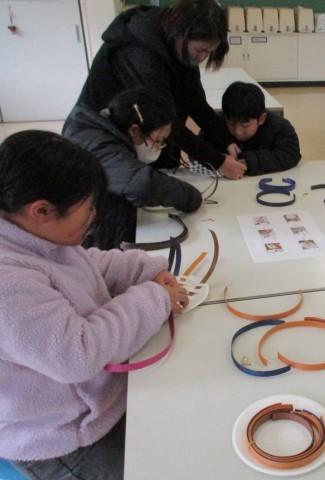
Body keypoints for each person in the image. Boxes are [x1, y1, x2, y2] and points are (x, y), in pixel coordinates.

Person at [0, 130, 188, 479]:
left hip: (102, 398)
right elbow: (77, 354)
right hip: (63, 435)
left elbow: (83, 264)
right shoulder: (7, 283)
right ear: (41, 210)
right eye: (87, 208)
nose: (94, 215)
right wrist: (154, 298)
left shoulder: (28, 231)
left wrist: (144, 269)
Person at [75, 0, 247, 180]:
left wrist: (226, 141)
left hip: (144, 132)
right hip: (105, 136)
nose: (202, 57)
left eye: (209, 52)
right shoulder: (140, 55)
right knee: (137, 182)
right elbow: (166, 120)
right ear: (180, 34)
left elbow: (196, 103)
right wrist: (218, 162)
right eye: (200, 50)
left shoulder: (180, 46)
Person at [63, 88, 203, 250]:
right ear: (135, 130)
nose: (159, 147)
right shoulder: (99, 145)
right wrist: (191, 198)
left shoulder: (101, 131)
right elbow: (141, 185)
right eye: (158, 140)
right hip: (93, 240)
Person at [200, 81, 301, 176]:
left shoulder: (279, 127)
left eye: (245, 125)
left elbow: (289, 154)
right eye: (231, 123)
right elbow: (201, 145)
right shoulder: (217, 124)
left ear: (261, 119)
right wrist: (219, 159)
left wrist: (249, 162)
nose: (238, 132)